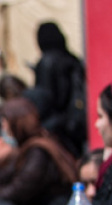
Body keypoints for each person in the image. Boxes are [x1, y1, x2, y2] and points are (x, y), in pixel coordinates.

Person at [31, 22, 85, 158]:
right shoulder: (73, 60)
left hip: (55, 126)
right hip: (76, 122)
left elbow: (45, 98)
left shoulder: (46, 62)